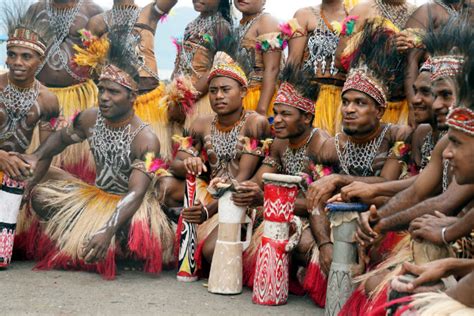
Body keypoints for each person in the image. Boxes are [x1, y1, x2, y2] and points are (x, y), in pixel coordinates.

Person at [22, 30, 174, 279]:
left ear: (132, 97)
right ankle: (85, 238)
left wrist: (108, 230)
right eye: (102, 89)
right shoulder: (90, 119)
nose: (104, 97)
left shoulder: (146, 140)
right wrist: (36, 156)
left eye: (113, 92)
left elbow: (136, 193)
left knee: (137, 232)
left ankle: (98, 241)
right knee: (41, 193)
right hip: (95, 196)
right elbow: (59, 140)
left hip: (129, 208)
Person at [229, 65, 338, 305]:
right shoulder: (279, 143)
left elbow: (318, 204)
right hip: (279, 212)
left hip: (317, 218)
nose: (276, 120)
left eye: (285, 114)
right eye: (275, 112)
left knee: (304, 243)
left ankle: (301, 274)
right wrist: (235, 186)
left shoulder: (323, 145)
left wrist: (266, 201)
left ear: (307, 117)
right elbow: (260, 182)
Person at [160, 52, 271, 270]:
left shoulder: (255, 123)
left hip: (240, 198)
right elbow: (175, 163)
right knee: (165, 185)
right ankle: (175, 230)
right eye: (212, 91)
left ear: (243, 92)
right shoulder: (201, 123)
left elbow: (241, 179)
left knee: (211, 252)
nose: (218, 96)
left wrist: (206, 212)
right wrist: (190, 164)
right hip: (212, 192)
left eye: (225, 90)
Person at [0, 2, 60, 266]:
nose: (17, 62)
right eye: (11, 54)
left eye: (26, 56)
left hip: (19, 168)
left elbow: (45, 151)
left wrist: (31, 183)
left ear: (41, 60)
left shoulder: (48, 99)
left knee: (71, 187)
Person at [86, 0, 177, 159]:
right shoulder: (97, 22)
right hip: (115, 104)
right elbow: (87, 63)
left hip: (149, 101)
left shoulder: (149, 12)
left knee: (151, 162)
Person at [27, 0, 103, 181]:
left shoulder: (93, 11)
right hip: (40, 98)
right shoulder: (35, 10)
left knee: (76, 168)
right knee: (34, 165)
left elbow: (102, 60)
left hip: (79, 101)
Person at [337, 0, 417, 126]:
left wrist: (413, 46)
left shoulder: (418, 13)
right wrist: (381, 45)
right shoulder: (361, 10)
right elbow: (341, 58)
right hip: (366, 107)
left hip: (405, 104)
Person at [285, 0, 349, 136]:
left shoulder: (355, 17)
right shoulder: (304, 15)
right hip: (311, 98)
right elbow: (293, 64)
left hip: (344, 100)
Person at [170, 0, 232, 131]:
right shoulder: (190, 25)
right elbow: (180, 62)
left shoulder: (221, 26)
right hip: (181, 99)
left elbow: (217, 68)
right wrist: (173, 94)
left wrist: (187, 101)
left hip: (200, 100)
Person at [234, 0, 283, 117]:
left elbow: (272, 68)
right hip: (240, 98)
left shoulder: (266, 22)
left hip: (260, 98)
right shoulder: (239, 26)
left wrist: (261, 110)